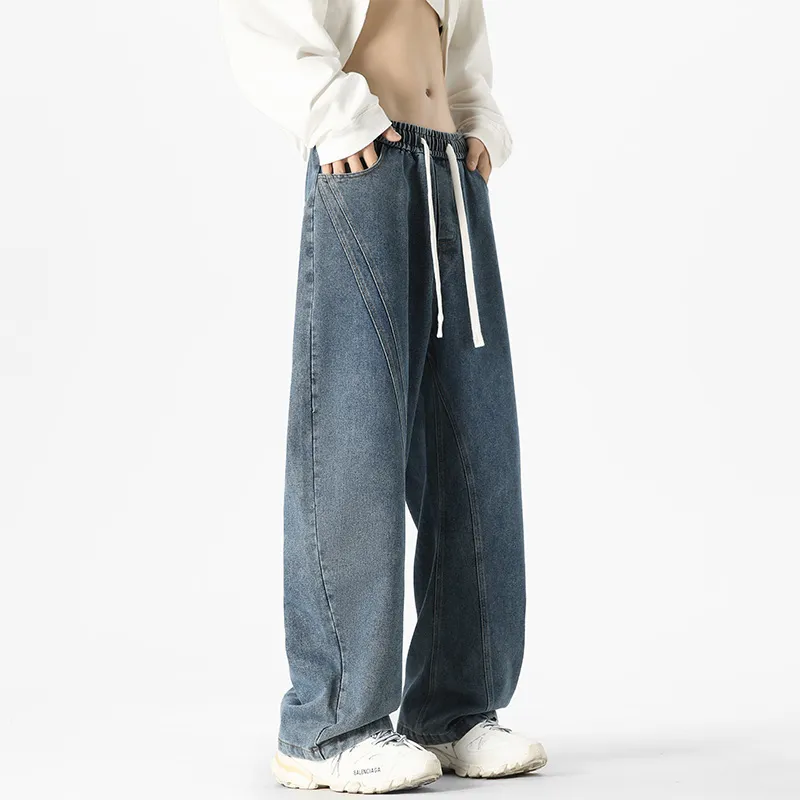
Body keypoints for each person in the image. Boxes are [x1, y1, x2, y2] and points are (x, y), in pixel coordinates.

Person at [219, 0, 546, 792]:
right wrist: (335, 117)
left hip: (450, 175)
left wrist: (479, 126)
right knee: (354, 442)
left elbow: (457, 49)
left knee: (476, 450)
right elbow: (262, 22)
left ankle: (454, 710)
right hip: (362, 163)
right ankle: (331, 726)